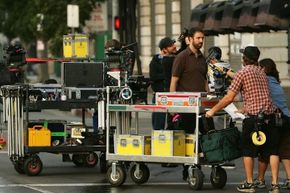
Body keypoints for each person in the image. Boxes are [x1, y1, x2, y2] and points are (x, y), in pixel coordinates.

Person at [205, 46, 281, 193]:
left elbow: (229, 97)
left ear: (245, 59)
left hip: (253, 120)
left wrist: (213, 111)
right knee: (272, 151)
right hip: (269, 117)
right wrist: (244, 107)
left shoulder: (242, 73)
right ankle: (275, 185)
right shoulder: (262, 72)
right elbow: (258, 95)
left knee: (248, 152)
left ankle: (250, 183)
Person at [253, 58, 290, 190]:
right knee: (285, 151)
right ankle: (289, 179)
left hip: (274, 119)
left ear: (264, 69)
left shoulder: (264, 81)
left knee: (266, 150)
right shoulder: (276, 81)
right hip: (287, 118)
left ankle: (261, 179)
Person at [170, 27, 209, 134]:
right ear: (190, 39)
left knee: (208, 133)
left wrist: (208, 97)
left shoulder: (203, 58)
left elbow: (204, 79)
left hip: (201, 105)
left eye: (202, 38)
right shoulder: (181, 57)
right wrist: (172, 105)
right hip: (186, 105)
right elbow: (174, 81)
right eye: (198, 38)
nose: (201, 41)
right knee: (188, 135)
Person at [149, 37, 177, 130]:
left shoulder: (175, 59)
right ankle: (158, 141)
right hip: (159, 95)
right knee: (158, 124)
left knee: (173, 122)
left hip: (172, 94)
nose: (174, 46)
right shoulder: (155, 61)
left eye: (174, 44)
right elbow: (153, 77)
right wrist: (167, 75)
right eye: (171, 45)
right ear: (164, 49)